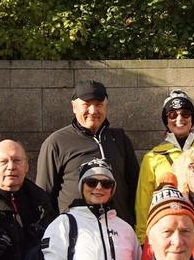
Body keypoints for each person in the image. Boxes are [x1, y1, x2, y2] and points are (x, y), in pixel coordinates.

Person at [36, 79, 139, 225]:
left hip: (119, 230)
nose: (93, 110)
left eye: (98, 104)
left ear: (106, 106)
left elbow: (135, 187)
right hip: (76, 232)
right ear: (74, 107)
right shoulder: (56, 142)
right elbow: (43, 195)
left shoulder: (120, 139)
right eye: (86, 104)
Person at [135, 89, 194, 240]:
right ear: (166, 120)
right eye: (172, 115)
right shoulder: (152, 158)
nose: (179, 119)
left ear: (192, 118)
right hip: (167, 234)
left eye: (185, 113)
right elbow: (143, 203)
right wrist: (143, 238)